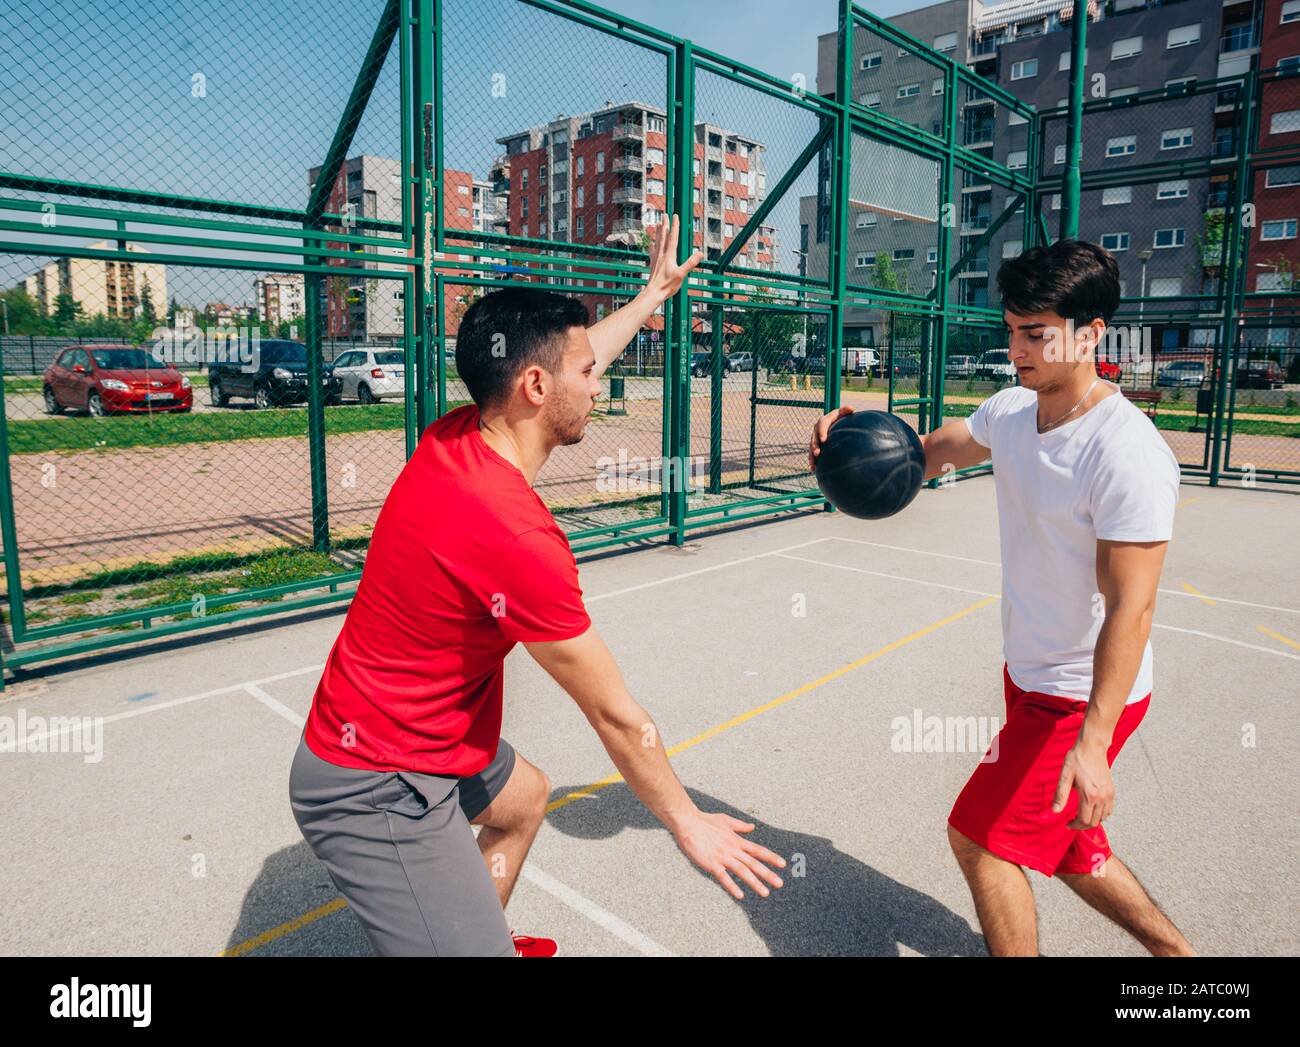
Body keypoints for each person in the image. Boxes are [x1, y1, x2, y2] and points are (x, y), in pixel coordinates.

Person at [290, 215, 785, 957]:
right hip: (374, 780)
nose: (599, 380)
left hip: (422, 736)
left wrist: (652, 294)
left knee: (524, 802)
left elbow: (567, 362)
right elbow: (616, 715)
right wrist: (688, 820)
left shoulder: (458, 430)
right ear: (534, 385)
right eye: (588, 375)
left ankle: (469, 935)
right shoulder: (514, 534)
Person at [809, 238, 1194, 957]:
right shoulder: (1015, 410)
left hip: (1083, 696)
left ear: (1091, 335)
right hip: (1030, 675)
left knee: (980, 839)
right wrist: (857, 438)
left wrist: (1096, 742)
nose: (1016, 348)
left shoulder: (1127, 453)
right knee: (1074, 846)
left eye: (1035, 334)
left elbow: (1131, 607)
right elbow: (938, 448)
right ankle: (1180, 959)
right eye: (1012, 330)